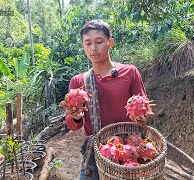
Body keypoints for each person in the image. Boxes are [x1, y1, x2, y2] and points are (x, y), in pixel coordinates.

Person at [61, 19, 148, 180]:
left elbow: (143, 110)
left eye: (99, 41)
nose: (93, 48)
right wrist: (75, 116)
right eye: (88, 43)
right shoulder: (78, 82)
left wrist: (141, 118)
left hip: (128, 151)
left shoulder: (130, 73)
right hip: (95, 154)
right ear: (83, 47)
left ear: (110, 42)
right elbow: (73, 125)